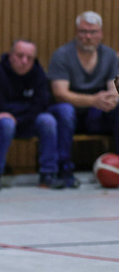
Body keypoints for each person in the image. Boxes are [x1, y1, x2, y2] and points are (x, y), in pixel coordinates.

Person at [0, 40, 67, 190]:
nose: (24, 61)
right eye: (20, 55)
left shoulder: (38, 73)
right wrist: (22, 110)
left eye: (29, 58)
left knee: (48, 120)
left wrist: (16, 115)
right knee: (6, 123)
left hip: (25, 121)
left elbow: (41, 105)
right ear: (11, 55)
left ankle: (48, 174)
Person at [47, 11, 119, 187]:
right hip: (69, 112)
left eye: (93, 32)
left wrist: (113, 99)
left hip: (97, 112)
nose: (88, 36)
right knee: (65, 111)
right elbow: (60, 93)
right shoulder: (62, 55)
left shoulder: (109, 55)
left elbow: (114, 87)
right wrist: (94, 100)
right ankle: (64, 169)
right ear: (76, 33)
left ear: (101, 34)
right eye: (83, 31)